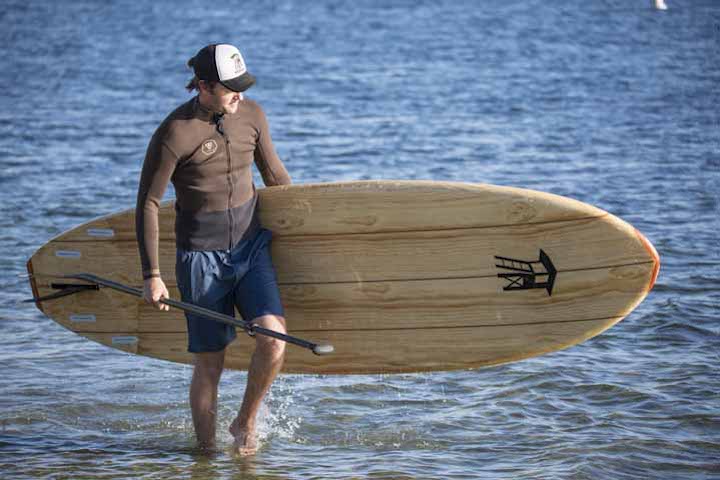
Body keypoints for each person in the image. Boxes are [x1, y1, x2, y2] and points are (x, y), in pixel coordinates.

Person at [135, 43, 292, 455]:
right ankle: (204, 455)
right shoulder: (175, 132)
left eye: (242, 85)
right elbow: (148, 203)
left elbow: (275, 176)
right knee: (210, 362)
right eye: (230, 88)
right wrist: (152, 276)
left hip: (250, 247)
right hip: (199, 257)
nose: (239, 95)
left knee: (274, 339)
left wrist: (317, 227)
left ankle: (245, 423)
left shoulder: (252, 115)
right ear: (204, 86)